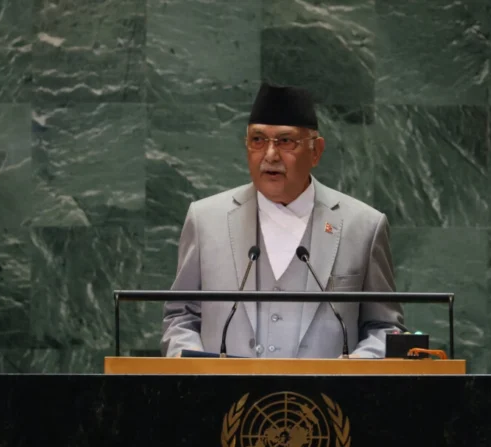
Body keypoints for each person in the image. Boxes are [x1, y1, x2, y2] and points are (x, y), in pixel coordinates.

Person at [161, 82, 406, 359]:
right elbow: (180, 317)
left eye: (285, 141)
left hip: (327, 400)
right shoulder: (206, 219)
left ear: (316, 151)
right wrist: (201, 373)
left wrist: (345, 375)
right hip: (223, 400)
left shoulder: (363, 227)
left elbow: (385, 328)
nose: (270, 155)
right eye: (258, 140)